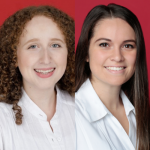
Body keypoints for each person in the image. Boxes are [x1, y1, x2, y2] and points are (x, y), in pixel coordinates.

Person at [75, 4, 150, 150]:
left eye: (127, 46)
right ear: (85, 53)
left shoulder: (141, 115)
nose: (117, 57)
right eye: (104, 44)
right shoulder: (69, 118)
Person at [0, 5, 75, 150]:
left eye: (55, 45)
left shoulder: (85, 110)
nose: (46, 59)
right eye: (33, 46)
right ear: (14, 56)